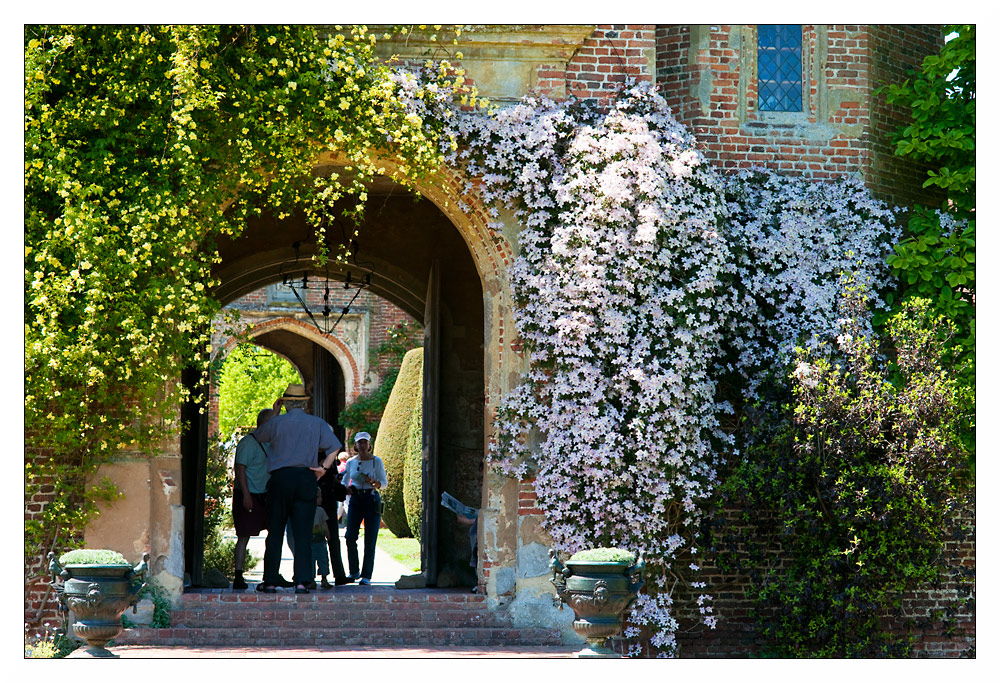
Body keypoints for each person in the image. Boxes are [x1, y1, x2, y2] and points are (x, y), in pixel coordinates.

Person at [253, 383, 342, 594]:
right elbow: (335, 446)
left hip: (280, 478)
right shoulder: (316, 423)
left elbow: (258, 436)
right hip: (305, 477)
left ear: (284, 403)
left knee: (275, 532)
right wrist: (323, 468)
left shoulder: (277, 423)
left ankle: (271, 580)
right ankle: (303, 581)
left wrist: (274, 413)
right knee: (303, 533)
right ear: (304, 403)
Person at [231, 408, 274, 590]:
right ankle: (238, 575)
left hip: (266, 495)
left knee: (273, 536)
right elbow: (240, 469)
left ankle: (270, 575)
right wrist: (246, 496)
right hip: (249, 495)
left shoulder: (269, 444)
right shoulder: (248, 443)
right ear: (265, 424)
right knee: (243, 536)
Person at [341, 432, 388, 585]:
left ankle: (366, 575)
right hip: (356, 499)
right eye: (359, 443)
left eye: (365, 443)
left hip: (371, 498)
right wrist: (346, 490)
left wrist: (374, 482)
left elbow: (384, 483)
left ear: (369, 445)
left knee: (370, 538)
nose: (362, 445)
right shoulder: (351, 462)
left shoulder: (376, 461)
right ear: (355, 445)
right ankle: (353, 571)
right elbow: (345, 481)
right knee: (350, 536)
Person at [317, 449, 351, 585]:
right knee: (315, 539)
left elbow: (332, 478)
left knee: (334, 539)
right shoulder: (313, 454)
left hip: (329, 501)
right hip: (317, 501)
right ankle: (307, 575)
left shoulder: (330, 456)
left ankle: (339, 574)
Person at [310, 489, 333, 589]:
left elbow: (324, 523)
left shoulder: (321, 511)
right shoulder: (307, 511)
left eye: (320, 497)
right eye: (318, 497)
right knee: (310, 561)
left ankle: (324, 578)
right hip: (310, 541)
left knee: (323, 560)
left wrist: (327, 534)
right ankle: (311, 580)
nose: (320, 499)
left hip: (320, 540)